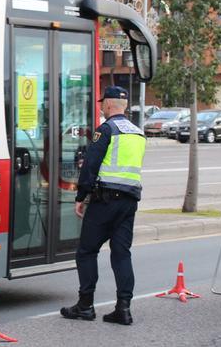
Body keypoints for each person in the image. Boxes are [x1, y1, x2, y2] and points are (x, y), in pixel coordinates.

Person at [60, 85, 145, 326]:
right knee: (121, 253)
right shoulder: (138, 133)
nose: (100, 107)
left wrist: (80, 197)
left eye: (101, 103)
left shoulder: (106, 129)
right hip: (129, 202)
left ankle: (85, 306)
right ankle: (123, 309)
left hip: (105, 200)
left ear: (108, 105)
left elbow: (90, 166)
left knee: (86, 251)